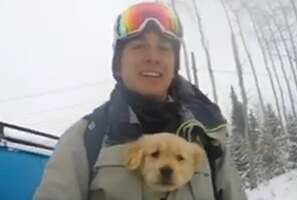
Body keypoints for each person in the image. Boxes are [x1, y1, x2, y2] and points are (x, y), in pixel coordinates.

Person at [34, 2, 247, 200]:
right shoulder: (85, 137)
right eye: (139, 46)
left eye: (164, 48)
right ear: (118, 64)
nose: (152, 57)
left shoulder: (210, 137)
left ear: (174, 66)